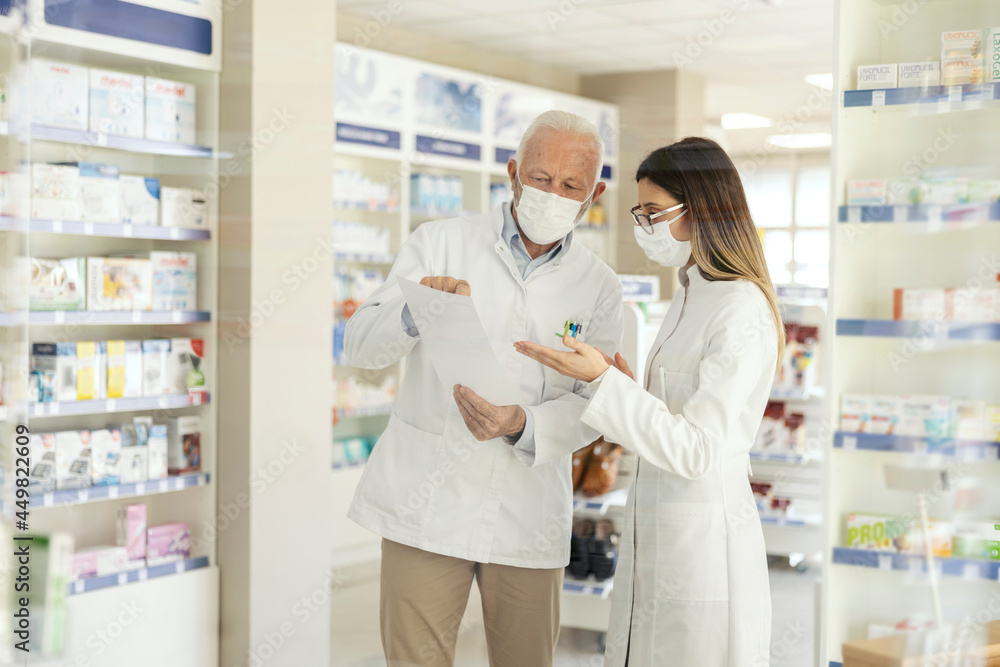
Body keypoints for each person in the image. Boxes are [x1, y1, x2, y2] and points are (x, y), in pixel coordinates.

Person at [344, 110, 624, 667]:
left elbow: (596, 403)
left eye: (572, 186)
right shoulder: (439, 243)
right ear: (513, 173)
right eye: (541, 179)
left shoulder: (599, 286)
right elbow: (360, 348)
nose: (553, 194)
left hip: (528, 507)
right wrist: (416, 311)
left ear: (595, 192)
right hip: (426, 505)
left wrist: (523, 425)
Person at [516, 137, 784, 666]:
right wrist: (613, 386)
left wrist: (608, 388)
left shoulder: (740, 309)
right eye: (641, 213)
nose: (645, 227)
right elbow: (672, 416)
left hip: (706, 545)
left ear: (702, 207)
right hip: (658, 528)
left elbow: (698, 449)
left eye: (654, 213)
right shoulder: (690, 290)